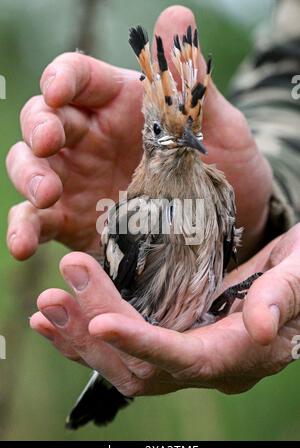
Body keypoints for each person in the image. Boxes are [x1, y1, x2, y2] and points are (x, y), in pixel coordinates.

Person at [6, 3, 300, 397]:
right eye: (163, 130)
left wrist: (265, 220)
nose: (183, 140)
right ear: (147, 134)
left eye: (191, 130)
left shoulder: (218, 190)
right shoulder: (134, 215)